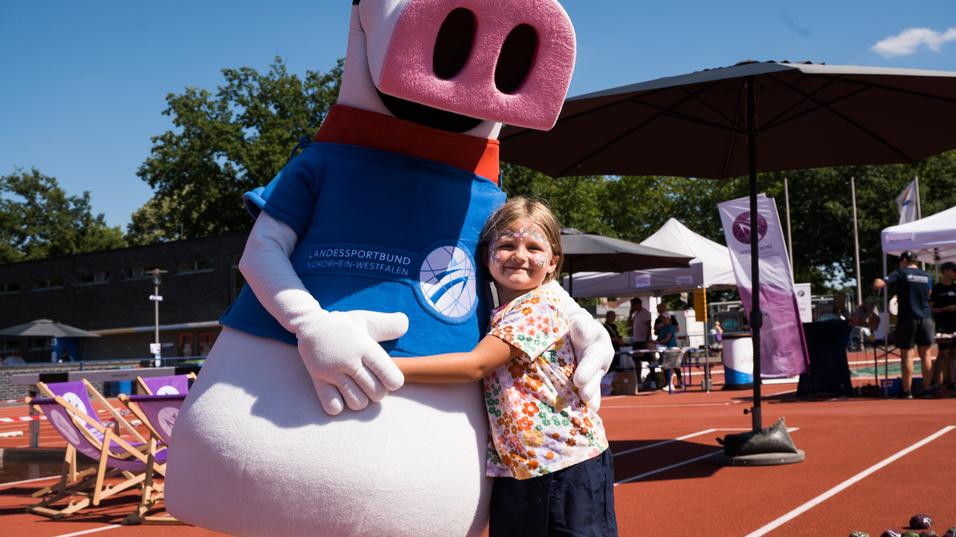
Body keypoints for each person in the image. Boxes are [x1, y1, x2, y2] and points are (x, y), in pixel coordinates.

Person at [394, 197, 617, 537]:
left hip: (565, 464)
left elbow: (476, 365)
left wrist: (391, 366)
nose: (520, 256)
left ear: (552, 261)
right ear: (486, 256)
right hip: (522, 467)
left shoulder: (538, 307)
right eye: (508, 244)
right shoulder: (502, 312)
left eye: (533, 246)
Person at [874, 251, 935, 398]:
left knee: (907, 355)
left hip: (908, 318)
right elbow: (929, 294)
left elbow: (881, 283)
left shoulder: (901, 272)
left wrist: (877, 281)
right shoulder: (927, 275)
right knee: (926, 355)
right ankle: (927, 389)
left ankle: (907, 392)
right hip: (926, 318)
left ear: (904, 261)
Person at [930, 261, 956, 390]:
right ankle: (935, 381)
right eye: (954, 270)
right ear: (946, 271)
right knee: (943, 353)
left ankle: (952, 381)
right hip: (942, 326)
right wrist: (946, 308)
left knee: (954, 353)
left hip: (955, 325)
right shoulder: (937, 288)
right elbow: (931, 309)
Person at [654, 313, 682, 389]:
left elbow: (667, 338)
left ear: (668, 319)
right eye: (662, 318)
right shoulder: (662, 328)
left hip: (671, 348)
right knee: (665, 367)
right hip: (663, 349)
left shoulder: (670, 327)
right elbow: (658, 337)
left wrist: (659, 342)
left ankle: (671, 383)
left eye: (664, 318)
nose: (662, 320)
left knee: (671, 366)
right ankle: (668, 383)